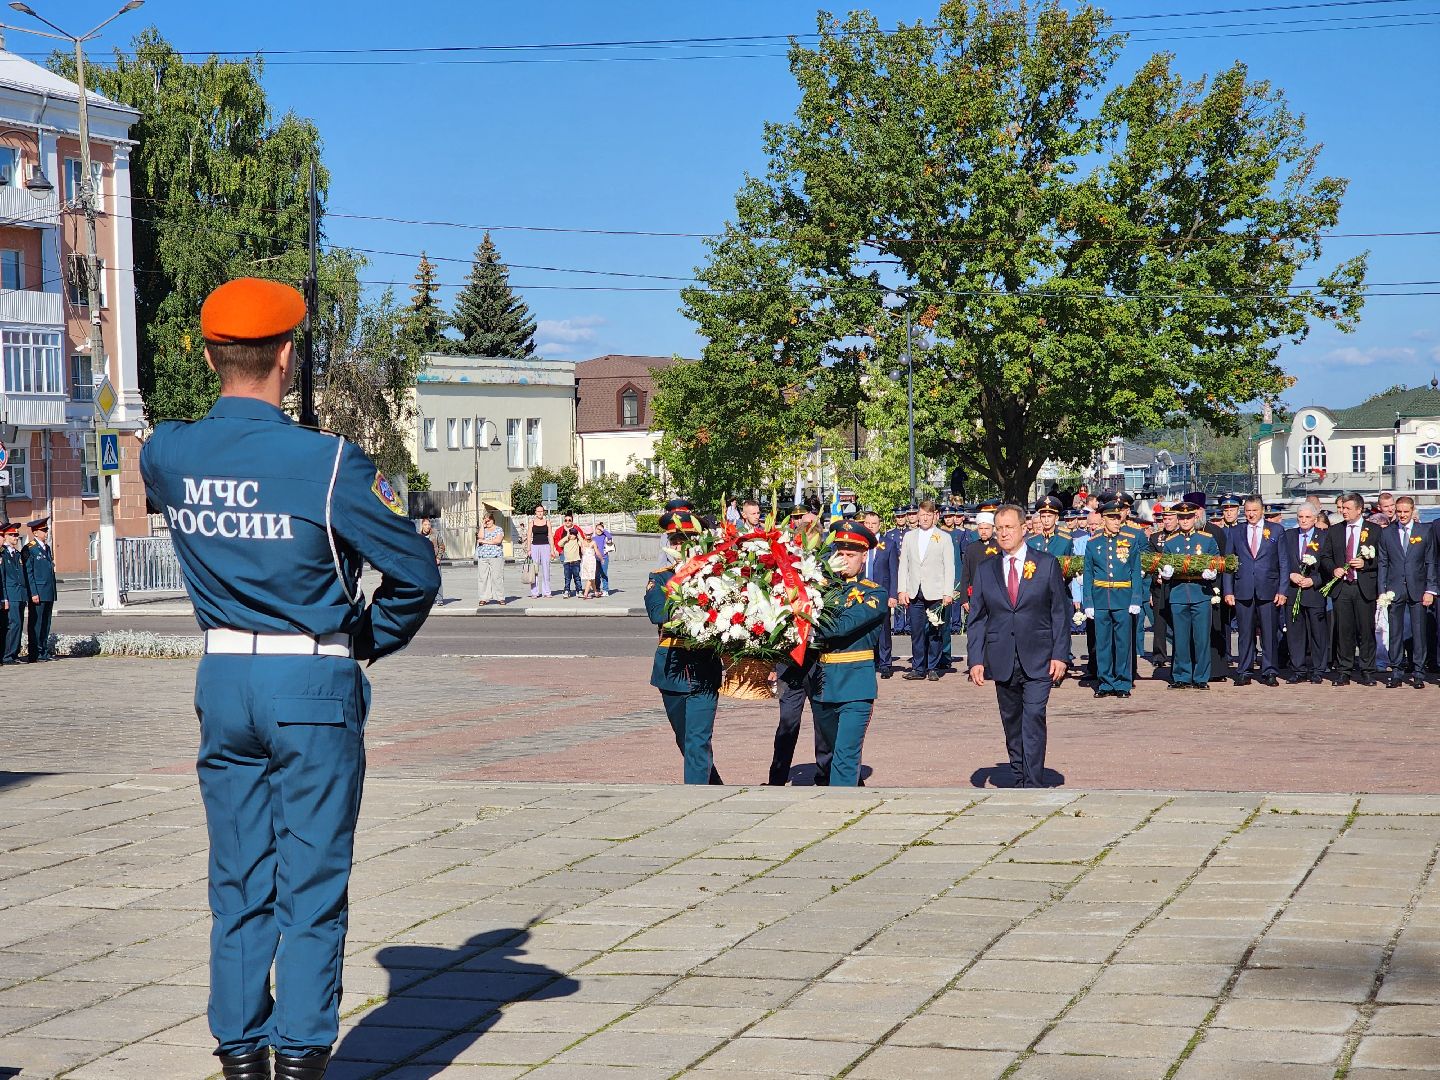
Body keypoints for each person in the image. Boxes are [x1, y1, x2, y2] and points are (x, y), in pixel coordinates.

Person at [139, 277, 439, 1080]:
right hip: (310, 682)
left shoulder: (165, 451)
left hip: (222, 677)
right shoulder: (330, 463)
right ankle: (301, 1053)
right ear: (287, 353)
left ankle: (239, 1051)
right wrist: (364, 639)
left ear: (208, 356)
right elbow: (414, 572)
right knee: (310, 879)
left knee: (238, 877)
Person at [967, 503, 1069, 788]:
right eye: (999, 528)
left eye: (1009, 527)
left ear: (1024, 528)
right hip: (1002, 658)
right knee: (1012, 722)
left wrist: (1060, 655)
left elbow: (1059, 612)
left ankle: (1033, 783)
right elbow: (977, 618)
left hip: (1039, 656)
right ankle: (1019, 775)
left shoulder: (1046, 563)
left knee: (1034, 716)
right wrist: (976, 660)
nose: (1003, 533)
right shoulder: (987, 569)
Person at [806, 522, 888, 787]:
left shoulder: (874, 592)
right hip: (823, 684)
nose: (844, 560)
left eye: (851, 555)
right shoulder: (818, 589)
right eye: (840, 553)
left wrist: (806, 629)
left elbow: (840, 626)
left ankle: (840, 814)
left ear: (864, 557)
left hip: (855, 684)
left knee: (845, 756)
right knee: (831, 755)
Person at [645, 508, 722, 784]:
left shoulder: (717, 577)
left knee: (697, 740)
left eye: (685, 540)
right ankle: (714, 788)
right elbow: (657, 612)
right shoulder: (661, 577)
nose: (679, 546)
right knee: (685, 740)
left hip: (703, 667)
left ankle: (695, 801)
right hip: (672, 668)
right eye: (674, 541)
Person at [1223, 496, 1289, 687]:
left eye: (1254, 510)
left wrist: (1282, 590)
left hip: (1268, 588)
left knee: (1269, 632)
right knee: (1244, 633)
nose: (1251, 514)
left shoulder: (1276, 530)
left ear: (1262, 511)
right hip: (1243, 588)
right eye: (1248, 511)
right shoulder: (1236, 531)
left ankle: (1269, 671)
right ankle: (1244, 670)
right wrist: (1228, 590)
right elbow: (1229, 563)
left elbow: (1283, 562)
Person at [1082, 501, 1143, 698]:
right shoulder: (1093, 544)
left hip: (1123, 598)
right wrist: (1088, 603)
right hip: (1100, 599)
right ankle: (1106, 682)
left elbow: (1135, 572)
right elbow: (1088, 575)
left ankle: (1123, 683)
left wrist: (1135, 599)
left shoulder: (1131, 540)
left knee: (1123, 643)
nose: (1117, 521)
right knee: (1103, 643)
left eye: (1119, 517)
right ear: (1104, 519)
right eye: (1112, 518)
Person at [1321, 491, 1379, 686]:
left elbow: (1383, 559)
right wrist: (1333, 569)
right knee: (1344, 631)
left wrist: (1367, 565)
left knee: (1366, 630)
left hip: (1363, 586)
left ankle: (1367, 670)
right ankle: (1344, 670)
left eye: (1348, 508)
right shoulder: (1335, 530)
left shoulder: (1374, 530)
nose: (1344, 511)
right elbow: (1325, 557)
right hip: (1342, 587)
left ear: (1359, 510)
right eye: (1342, 508)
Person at [1161, 501, 1221, 689]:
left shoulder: (1207, 539)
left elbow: (1216, 561)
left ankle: (1201, 677)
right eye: (1181, 517)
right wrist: (1165, 572)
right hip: (1179, 593)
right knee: (1180, 638)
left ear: (1195, 517)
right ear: (1177, 519)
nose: (1185, 521)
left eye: (1188, 517)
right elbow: (1164, 563)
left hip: (1200, 593)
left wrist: (1213, 572)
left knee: (1202, 638)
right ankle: (1181, 675)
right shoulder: (1171, 542)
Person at [1378, 495, 1434, 688]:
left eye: (1405, 511)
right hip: (1394, 589)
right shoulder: (1387, 533)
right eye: (1399, 511)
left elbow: (1430, 562)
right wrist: (1382, 591)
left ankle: (1419, 672)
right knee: (1395, 632)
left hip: (1418, 588)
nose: (1401, 515)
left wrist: (1430, 589)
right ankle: (1396, 672)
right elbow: (1383, 563)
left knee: (1419, 632)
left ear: (1412, 511)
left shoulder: (1424, 531)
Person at [897, 499, 955, 681]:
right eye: (922, 515)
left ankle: (933, 667)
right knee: (916, 631)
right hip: (915, 590)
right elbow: (903, 565)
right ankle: (918, 667)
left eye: (928, 515)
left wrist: (948, 592)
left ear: (935, 516)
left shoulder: (944, 537)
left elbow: (949, 566)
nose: (924, 518)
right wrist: (902, 590)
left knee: (935, 631)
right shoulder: (909, 537)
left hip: (936, 591)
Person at [1284, 504, 1328, 684]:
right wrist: (1290, 574)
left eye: (1307, 517)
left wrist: (1315, 580)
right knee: (1295, 633)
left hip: (1314, 592)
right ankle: (1298, 669)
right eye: (1300, 517)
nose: (1303, 520)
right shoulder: (1288, 536)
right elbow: (1281, 560)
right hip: (1293, 590)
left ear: (1315, 519)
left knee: (1317, 633)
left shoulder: (1324, 537)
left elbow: (1329, 566)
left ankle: (1318, 669)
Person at [862, 509, 898, 679]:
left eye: (873, 524)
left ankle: (885, 663)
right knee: (864, 629)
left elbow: (893, 571)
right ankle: (869, 662)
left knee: (883, 630)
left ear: (879, 525)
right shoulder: (859, 543)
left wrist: (893, 595)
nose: (870, 526)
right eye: (867, 523)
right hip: (861, 593)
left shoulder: (888, 544)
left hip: (881, 592)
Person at [21, 518, 55, 662]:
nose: (46, 532)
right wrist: (33, 592)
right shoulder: (30, 548)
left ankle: (43, 651)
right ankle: (35, 652)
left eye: (46, 530)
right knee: (36, 623)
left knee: (46, 623)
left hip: (48, 591)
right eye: (44, 530)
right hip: (38, 592)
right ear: (35, 532)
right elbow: (29, 572)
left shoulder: (46, 548)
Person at [0, 522, 25, 664]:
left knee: (19, 624)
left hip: (19, 593)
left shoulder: (17, 554)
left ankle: (14, 654)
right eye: (13, 535)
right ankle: (8, 655)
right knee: (13, 624)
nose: (16, 537)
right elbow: (3, 576)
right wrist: (4, 598)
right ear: (6, 536)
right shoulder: (3, 553)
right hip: (10, 594)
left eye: (17, 535)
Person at [474, 513, 505, 607]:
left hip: (496, 556)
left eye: (488, 520)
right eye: (485, 520)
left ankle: (500, 597)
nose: (487, 522)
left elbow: (498, 541)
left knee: (497, 577)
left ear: (493, 520)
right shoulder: (483, 529)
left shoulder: (498, 529)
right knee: (482, 578)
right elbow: (480, 537)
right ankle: (483, 598)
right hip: (483, 556)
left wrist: (485, 541)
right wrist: (482, 526)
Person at [553, 513, 584, 598]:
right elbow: (556, 541)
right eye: (566, 520)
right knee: (567, 575)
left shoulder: (576, 529)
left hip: (575, 556)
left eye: (569, 520)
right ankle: (567, 590)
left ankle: (579, 590)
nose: (567, 522)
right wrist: (559, 551)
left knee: (576, 575)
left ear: (572, 522)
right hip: (565, 554)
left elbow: (582, 540)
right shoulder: (560, 530)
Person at [527, 506, 553, 598]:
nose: (540, 513)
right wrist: (528, 549)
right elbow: (529, 536)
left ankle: (547, 592)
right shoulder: (532, 523)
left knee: (546, 569)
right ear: (535, 512)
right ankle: (535, 592)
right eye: (538, 511)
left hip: (545, 546)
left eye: (541, 511)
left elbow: (550, 536)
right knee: (535, 570)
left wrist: (552, 550)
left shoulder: (547, 522)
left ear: (544, 512)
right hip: (534, 547)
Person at [593, 521, 613, 596]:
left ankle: (605, 590)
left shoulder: (605, 537)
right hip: (596, 558)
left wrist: (603, 530)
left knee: (604, 574)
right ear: (595, 530)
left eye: (600, 529)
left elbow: (610, 536)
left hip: (604, 558)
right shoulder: (593, 538)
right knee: (596, 575)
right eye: (597, 529)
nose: (599, 531)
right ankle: (597, 589)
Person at [579, 530, 599, 599]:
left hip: (585, 560)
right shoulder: (593, 542)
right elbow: (597, 552)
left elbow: (582, 552)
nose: (588, 536)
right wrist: (602, 559)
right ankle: (585, 594)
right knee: (590, 577)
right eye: (587, 534)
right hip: (591, 561)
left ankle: (596, 592)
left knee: (591, 577)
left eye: (589, 534)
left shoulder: (582, 543)